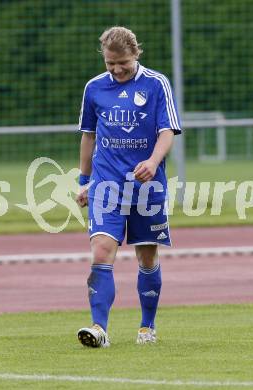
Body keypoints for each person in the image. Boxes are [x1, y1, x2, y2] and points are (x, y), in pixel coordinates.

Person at [76, 26, 181, 348]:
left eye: (123, 63)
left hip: (146, 186)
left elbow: (167, 130)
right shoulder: (94, 88)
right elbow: (89, 136)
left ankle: (147, 327)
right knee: (101, 250)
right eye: (110, 64)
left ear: (136, 54)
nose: (117, 69)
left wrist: (152, 161)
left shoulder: (156, 83)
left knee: (146, 257)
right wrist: (84, 181)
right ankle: (98, 328)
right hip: (106, 184)